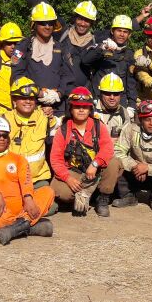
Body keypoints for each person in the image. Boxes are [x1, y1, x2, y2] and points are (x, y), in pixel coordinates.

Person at [0, 116, 56, 245]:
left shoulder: (18, 159)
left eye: (5, 135)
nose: (2, 139)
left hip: (21, 209)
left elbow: (26, 181)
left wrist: (28, 198)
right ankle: (28, 227)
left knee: (47, 191)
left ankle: (15, 228)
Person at [17, 0, 99, 90]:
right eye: (80, 19)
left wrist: (141, 17)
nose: (83, 23)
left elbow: (119, 32)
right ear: (74, 18)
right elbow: (44, 5)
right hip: (60, 92)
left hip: (82, 95)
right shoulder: (63, 31)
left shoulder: (95, 41)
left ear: (92, 24)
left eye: (87, 21)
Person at [49, 87, 122, 217]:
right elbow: (56, 160)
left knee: (114, 163)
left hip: (95, 170)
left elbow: (108, 148)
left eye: (85, 107)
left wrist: (95, 164)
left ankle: (102, 199)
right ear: (70, 109)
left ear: (90, 109)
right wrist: (68, 179)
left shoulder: (98, 125)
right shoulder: (63, 130)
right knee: (59, 190)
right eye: (77, 107)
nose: (81, 110)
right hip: (74, 171)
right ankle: (79, 197)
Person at [10, 2, 73, 117]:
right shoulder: (23, 46)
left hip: (58, 108)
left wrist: (59, 93)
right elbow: (17, 76)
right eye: (43, 23)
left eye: (51, 23)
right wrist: (39, 93)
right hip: (31, 105)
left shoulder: (61, 47)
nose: (47, 26)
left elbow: (68, 75)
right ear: (34, 25)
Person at [113, 100, 152, 211]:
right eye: (147, 119)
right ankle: (128, 196)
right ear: (141, 120)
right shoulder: (130, 129)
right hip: (135, 173)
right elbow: (118, 152)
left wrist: (147, 168)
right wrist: (135, 166)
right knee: (115, 164)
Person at [6, 78, 55, 188]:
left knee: (48, 202)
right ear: (14, 100)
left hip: (38, 179)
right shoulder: (4, 120)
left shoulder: (44, 117)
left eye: (31, 98)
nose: (28, 101)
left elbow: (64, 126)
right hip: (11, 179)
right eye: (23, 98)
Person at [85, 15, 139, 107]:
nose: (122, 34)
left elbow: (131, 83)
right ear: (112, 31)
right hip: (98, 102)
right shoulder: (100, 47)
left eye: (125, 32)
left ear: (129, 34)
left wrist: (131, 106)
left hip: (119, 104)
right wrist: (102, 48)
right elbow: (86, 61)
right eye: (119, 31)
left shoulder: (129, 54)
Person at [0, 22, 24, 113]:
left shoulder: (24, 58)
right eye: (9, 43)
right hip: (1, 110)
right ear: (2, 43)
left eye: (16, 43)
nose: (13, 47)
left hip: (22, 110)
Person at [93, 73, 135, 141]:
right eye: (107, 93)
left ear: (120, 95)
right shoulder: (91, 111)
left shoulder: (123, 113)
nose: (112, 97)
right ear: (101, 93)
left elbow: (127, 140)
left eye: (116, 94)